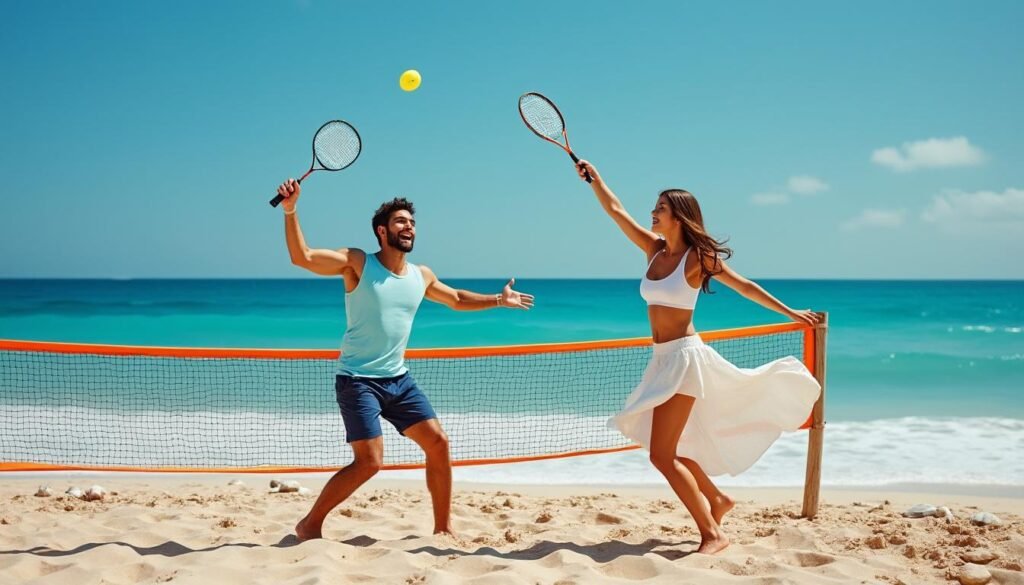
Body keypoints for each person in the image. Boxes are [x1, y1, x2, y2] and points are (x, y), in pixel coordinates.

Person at [572, 160, 821, 555]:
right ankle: (718, 500)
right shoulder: (653, 251)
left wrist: (789, 312)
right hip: (661, 359)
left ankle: (713, 533)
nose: (652, 213)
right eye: (654, 207)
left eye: (660, 209)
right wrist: (596, 181)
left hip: (686, 360)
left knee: (662, 455)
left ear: (679, 217)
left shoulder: (697, 258)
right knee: (673, 446)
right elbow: (615, 211)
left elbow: (745, 287)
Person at [275, 178, 534, 540]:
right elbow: (301, 257)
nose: (408, 226)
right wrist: (291, 210)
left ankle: (443, 528)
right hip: (358, 379)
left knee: (438, 444)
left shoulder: (420, 275)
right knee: (370, 462)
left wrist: (497, 299)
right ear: (382, 231)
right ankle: (310, 523)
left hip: (398, 379)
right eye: (400, 221)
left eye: (411, 222)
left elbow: (456, 298)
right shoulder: (357, 263)